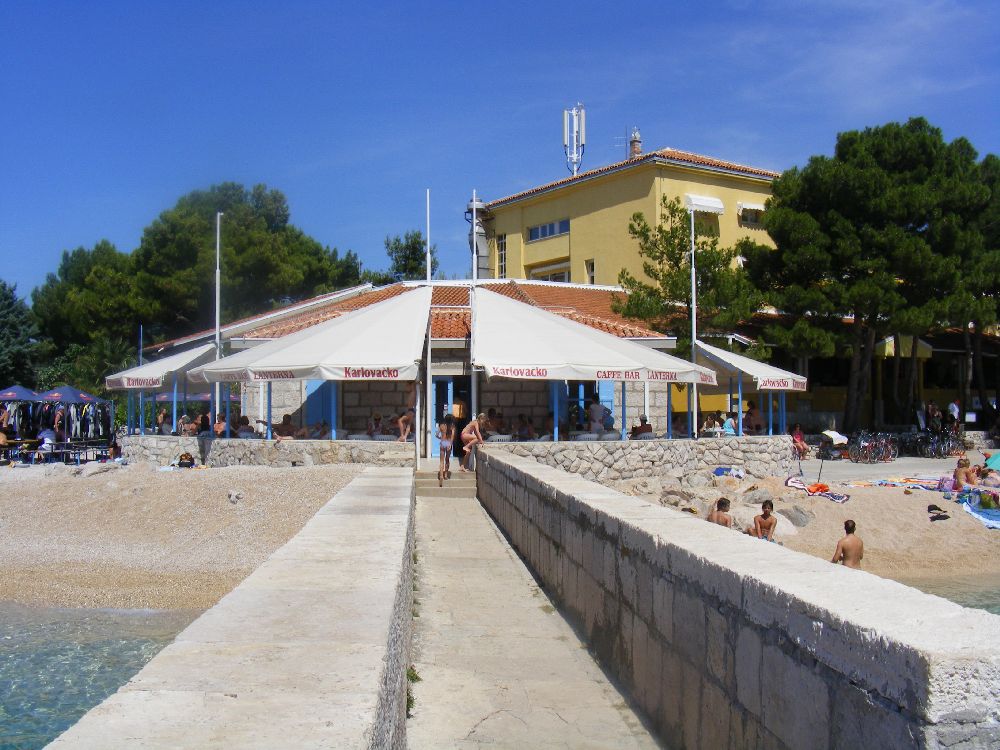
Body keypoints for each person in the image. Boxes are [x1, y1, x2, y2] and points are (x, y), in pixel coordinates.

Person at [437, 414, 456, 486]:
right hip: (448, 443)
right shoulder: (452, 426)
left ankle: (441, 476)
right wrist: (450, 444)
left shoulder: (441, 425)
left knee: (441, 461)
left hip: (442, 443)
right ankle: (445, 475)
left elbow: (436, 434)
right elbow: (452, 436)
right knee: (447, 459)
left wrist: (441, 438)